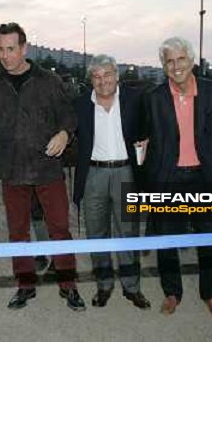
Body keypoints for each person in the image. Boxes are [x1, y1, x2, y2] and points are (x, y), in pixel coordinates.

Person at [0, 22, 85, 311]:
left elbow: (69, 116)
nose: (5, 55)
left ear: (24, 48)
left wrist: (64, 134)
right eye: (0, 49)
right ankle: (25, 286)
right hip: (11, 171)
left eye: (11, 49)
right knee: (18, 233)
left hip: (47, 170)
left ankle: (68, 286)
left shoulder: (49, 81)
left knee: (60, 229)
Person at [143, 37, 212, 318]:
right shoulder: (154, 98)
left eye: (181, 59)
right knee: (167, 240)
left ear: (191, 61)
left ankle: (211, 293)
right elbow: (149, 138)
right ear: (163, 65)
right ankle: (172, 292)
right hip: (169, 179)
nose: (176, 66)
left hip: (202, 177)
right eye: (169, 60)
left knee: (209, 238)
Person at [73, 54, 150, 309]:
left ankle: (132, 287)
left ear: (117, 76)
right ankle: (104, 286)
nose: (102, 80)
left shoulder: (135, 100)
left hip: (125, 173)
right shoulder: (81, 103)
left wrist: (148, 140)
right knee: (97, 234)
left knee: (128, 232)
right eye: (96, 76)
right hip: (93, 175)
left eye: (107, 74)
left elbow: (150, 126)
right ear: (91, 80)